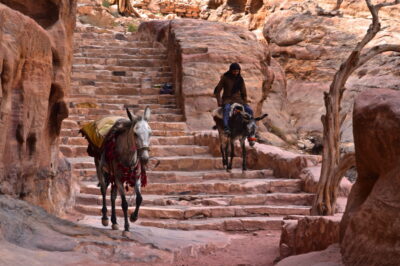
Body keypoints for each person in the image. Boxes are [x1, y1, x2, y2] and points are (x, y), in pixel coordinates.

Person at [213, 63, 254, 135]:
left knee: (249, 110)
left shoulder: (240, 79)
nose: (236, 73)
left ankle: (251, 129)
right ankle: (226, 127)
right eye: (234, 71)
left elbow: (244, 93)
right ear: (231, 70)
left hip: (239, 100)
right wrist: (219, 102)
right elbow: (217, 91)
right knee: (226, 109)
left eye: (237, 71)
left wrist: (245, 102)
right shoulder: (225, 78)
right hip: (227, 99)